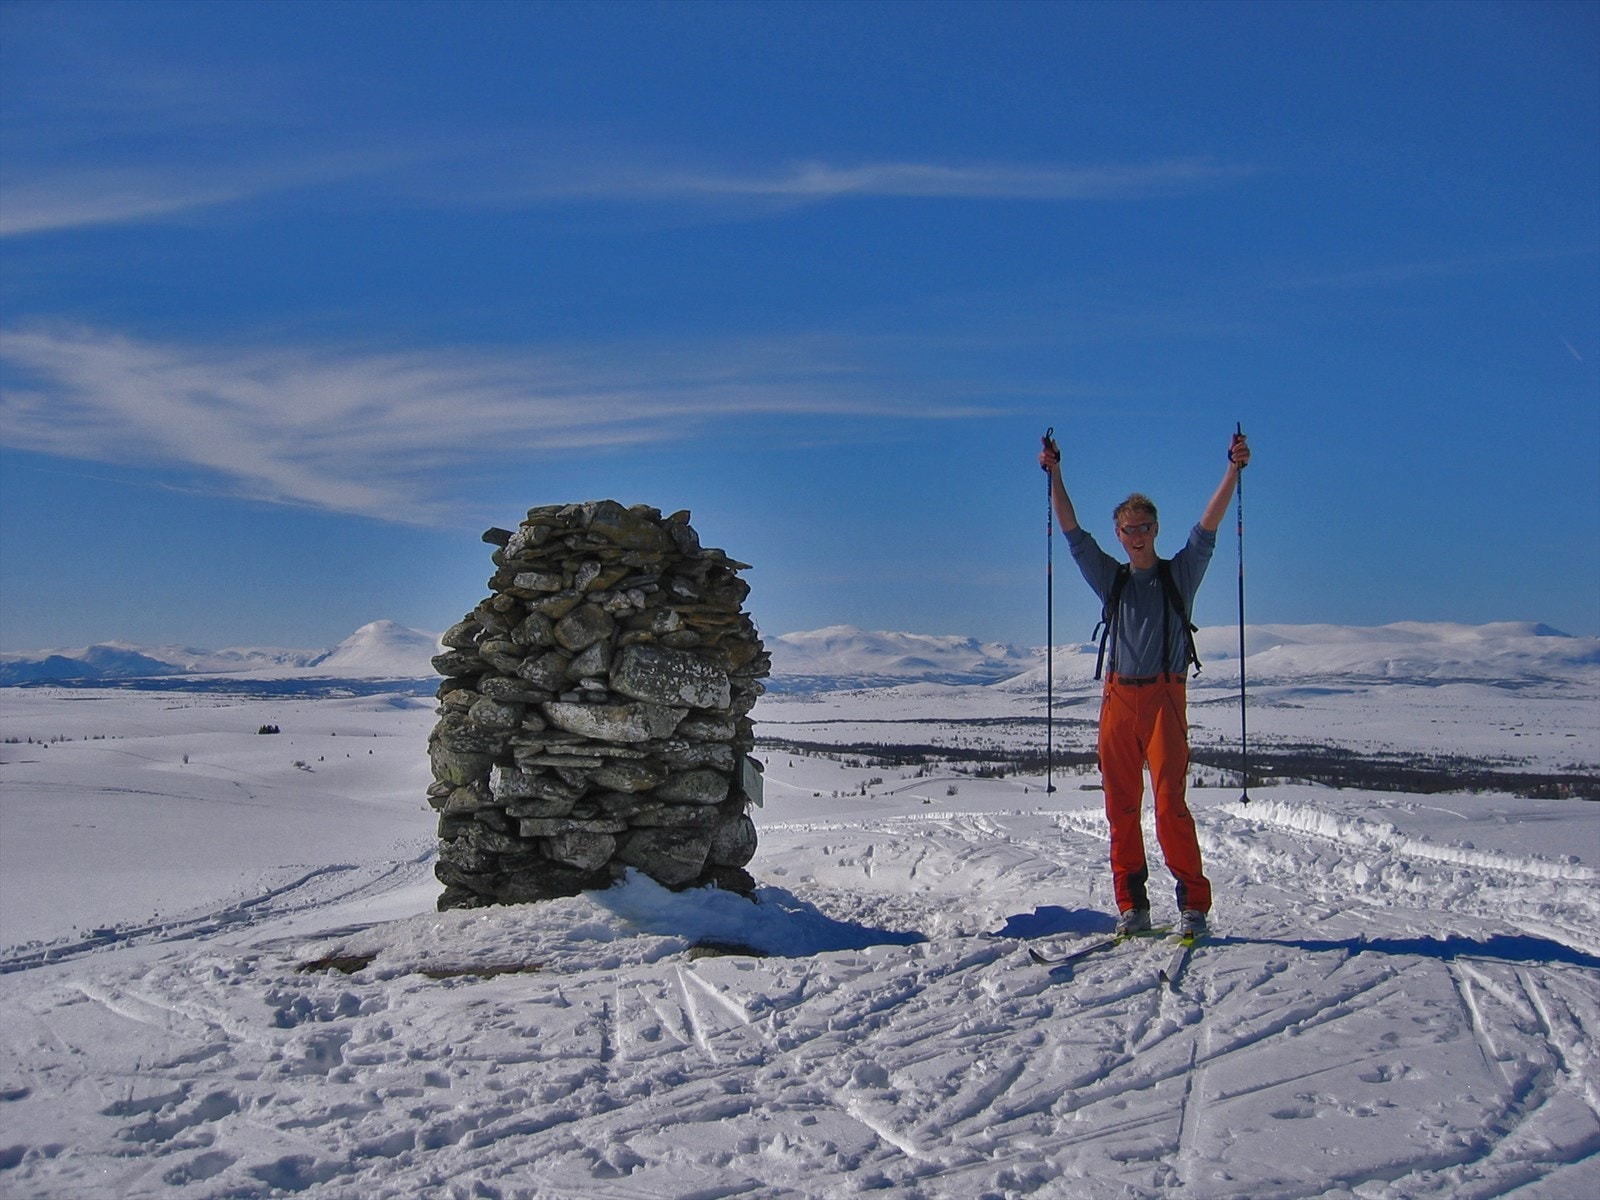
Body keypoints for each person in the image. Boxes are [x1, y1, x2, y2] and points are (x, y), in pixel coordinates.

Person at [1038, 429, 1250, 940]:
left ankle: (1193, 905)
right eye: (1129, 528)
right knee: (1121, 807)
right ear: (1119, 534)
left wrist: (1234, 470)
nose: (1137, 535)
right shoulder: (1111, 578)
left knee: (1170, 804)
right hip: (1117, 699)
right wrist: (1055, 473)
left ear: (1155, 530)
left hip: (1164, 699)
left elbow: (1209, 525)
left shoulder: (1181, 575)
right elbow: (1071, 531)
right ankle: (1133, 905)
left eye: (1145, 527)